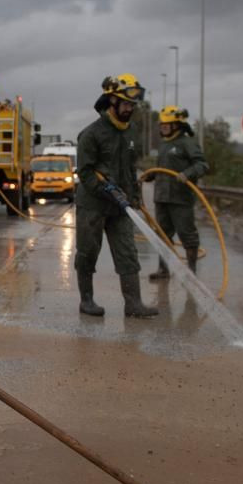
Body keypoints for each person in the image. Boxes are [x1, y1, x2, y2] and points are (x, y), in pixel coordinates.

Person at [74, 74, 158, 318]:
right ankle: (86, 301)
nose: (130, 108)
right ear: (111, 101)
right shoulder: (90, 134)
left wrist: (134, 197)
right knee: (87, 252)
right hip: (93, 204)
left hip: (121, 207)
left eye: (132, 105)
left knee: (128, 252)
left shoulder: (130, 131)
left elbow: (131, 169)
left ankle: (133, 304)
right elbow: (86, 173)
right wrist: (107, 190)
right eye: (126, 104)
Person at [142, 106, 208, 279]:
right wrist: (150, 175)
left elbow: (202, 165)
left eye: (167, 124)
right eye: (162, 124)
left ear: (177, 125)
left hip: (180, 198)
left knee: (187, 235)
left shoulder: (187, 143)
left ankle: (191, 271)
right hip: (162, 197)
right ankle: (163, 269)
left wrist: (187, 174)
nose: (163, 127)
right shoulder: (164, 145)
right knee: (162, 235)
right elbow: (162, 169)